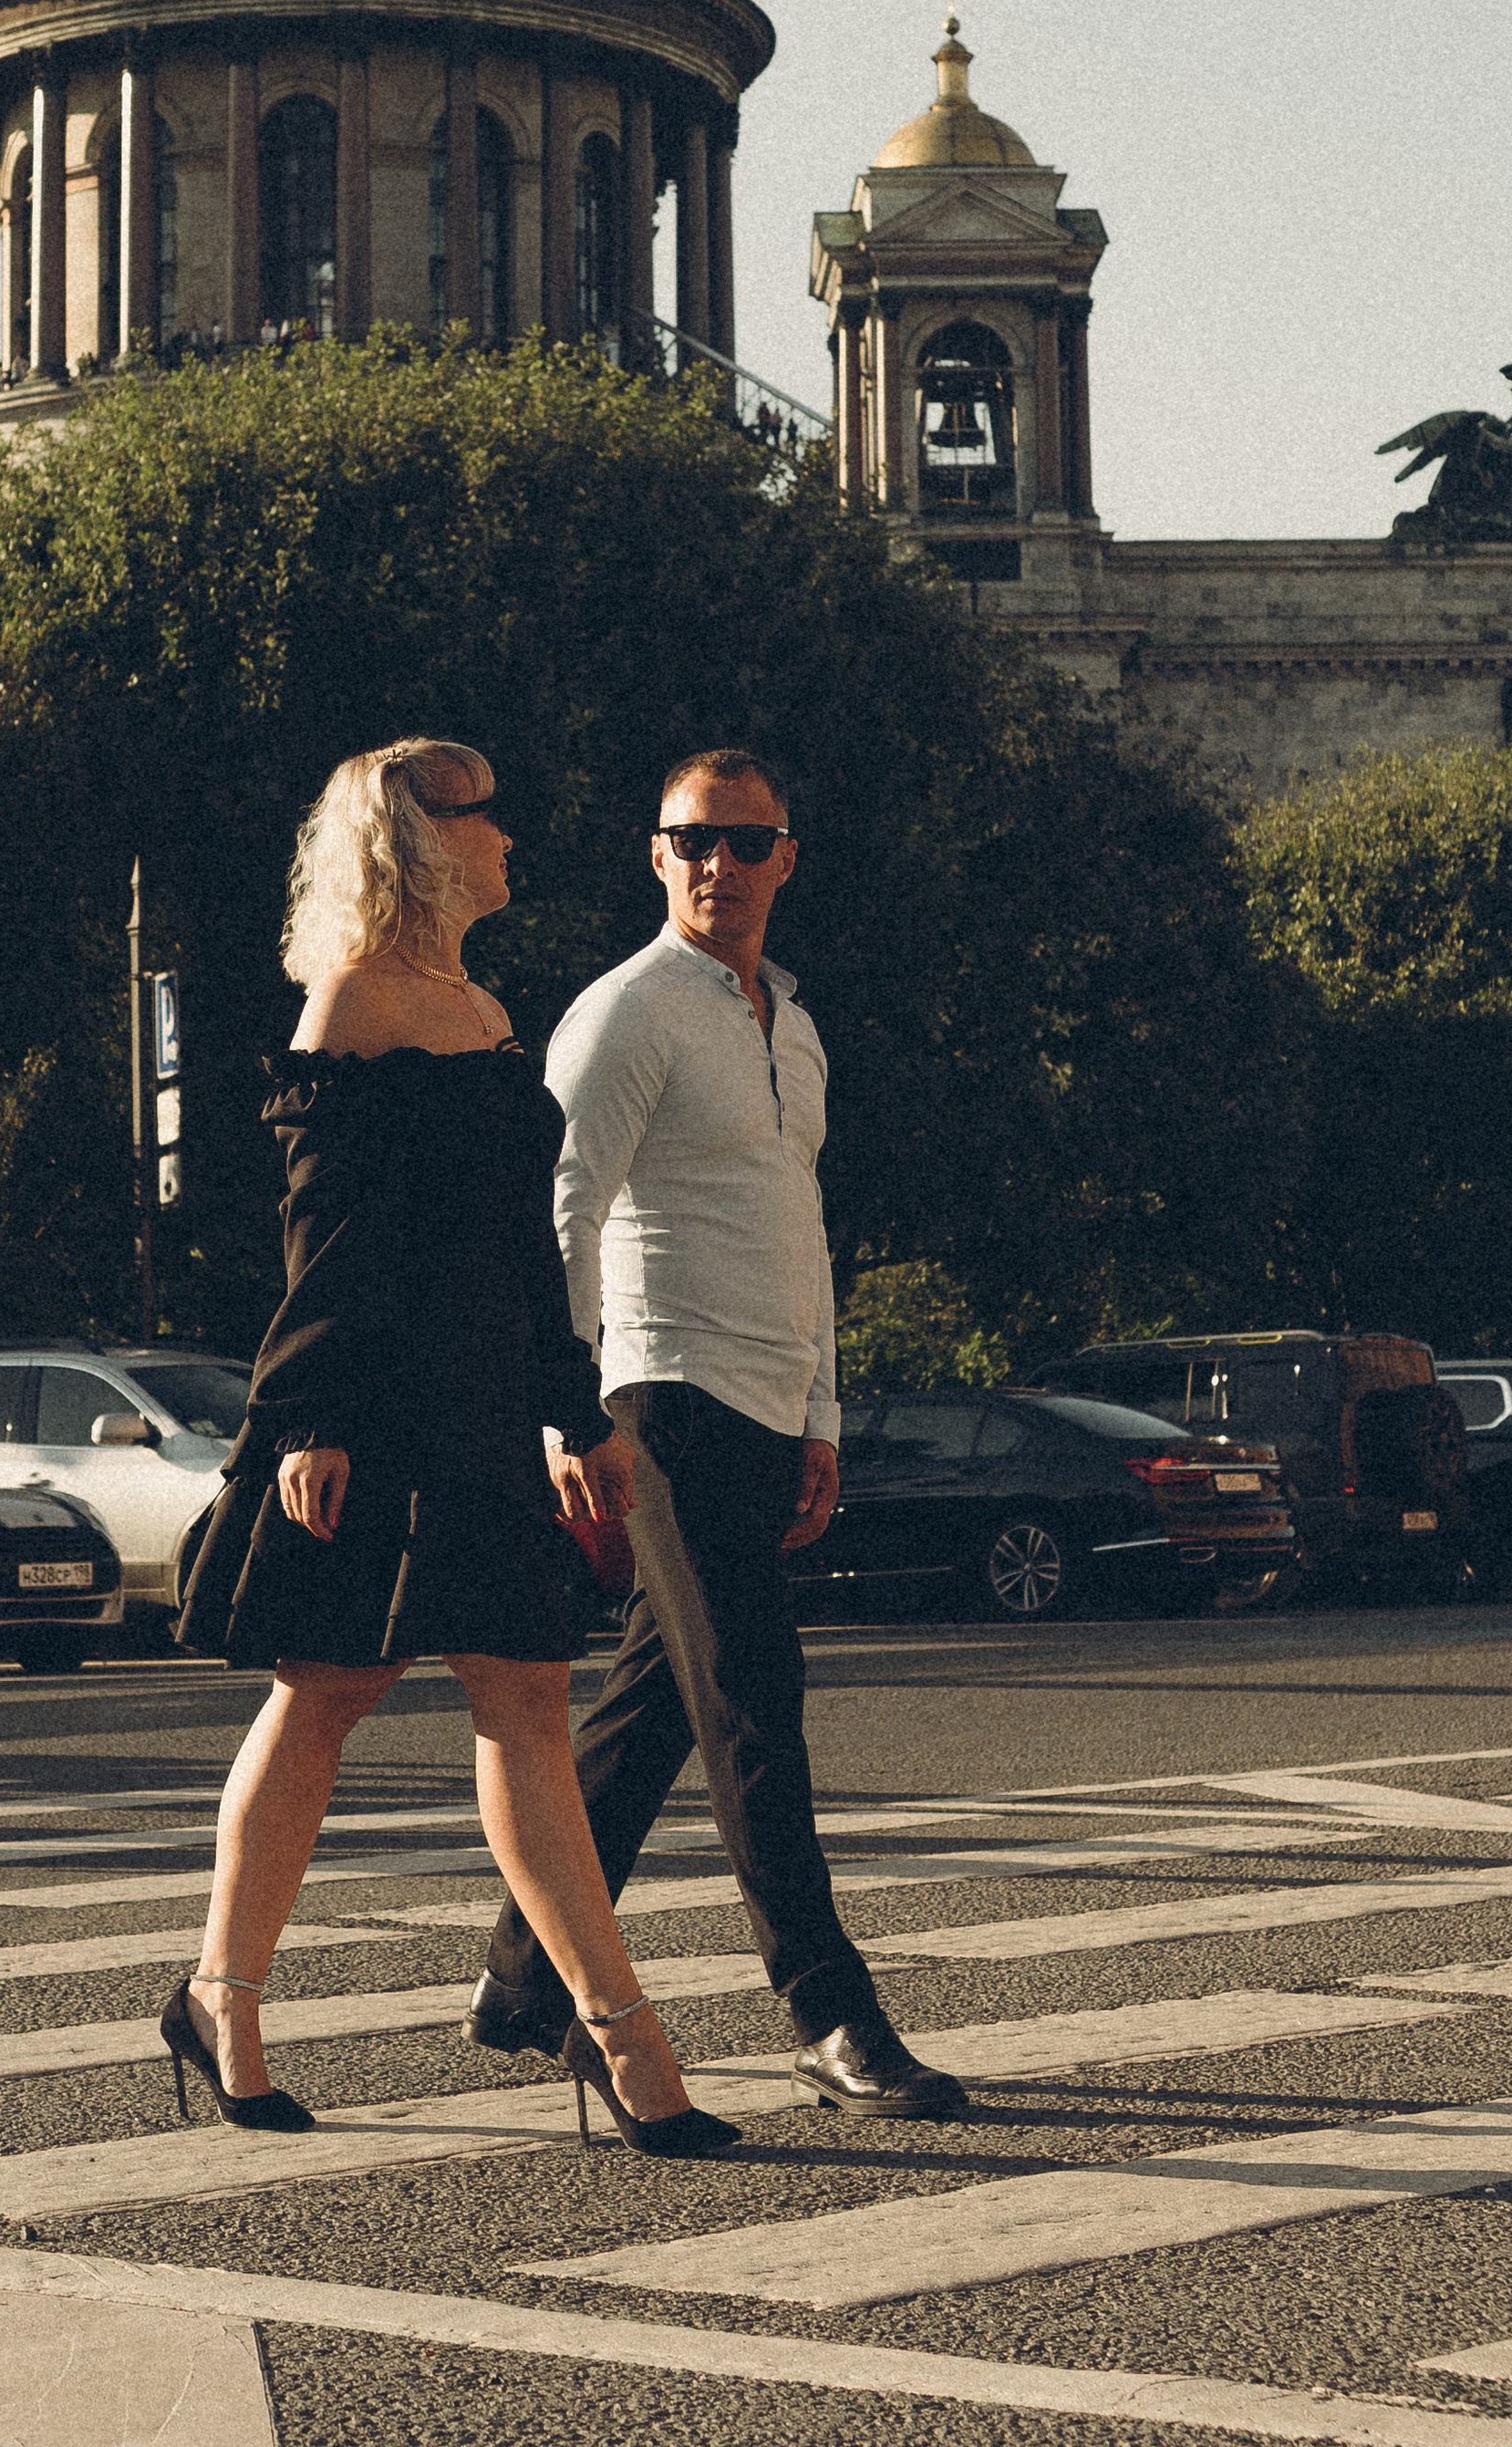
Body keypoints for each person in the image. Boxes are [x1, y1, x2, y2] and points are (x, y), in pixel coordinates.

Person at [170, 738, 733, 2159]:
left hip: (484, 1410)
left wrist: (576, 1408)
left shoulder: (479, 1007)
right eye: (486, 819)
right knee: (325, 1699)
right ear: (421, 841)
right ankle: (222, 2005)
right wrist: (313, 1420)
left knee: (530, 1705)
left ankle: (620, 2038)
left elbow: (511, 1250)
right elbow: (329, 1244)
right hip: (375, 1414)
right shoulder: (353, 1003)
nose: (510, 839)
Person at [468, 747, 967, 2120]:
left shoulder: (786, 1020)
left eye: (747, 842)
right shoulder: (629, 1011)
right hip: (658, 1388)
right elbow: (559, 1210)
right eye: (694, 840)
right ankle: (828, 2009)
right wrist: (567, 1406)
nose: (719, 866)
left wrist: (819, 1415)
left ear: (786, 857)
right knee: (754, 1696)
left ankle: (521, 1982)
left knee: (648, 1711)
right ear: (656, 854)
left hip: (760, 1396)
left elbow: (795, 1228)